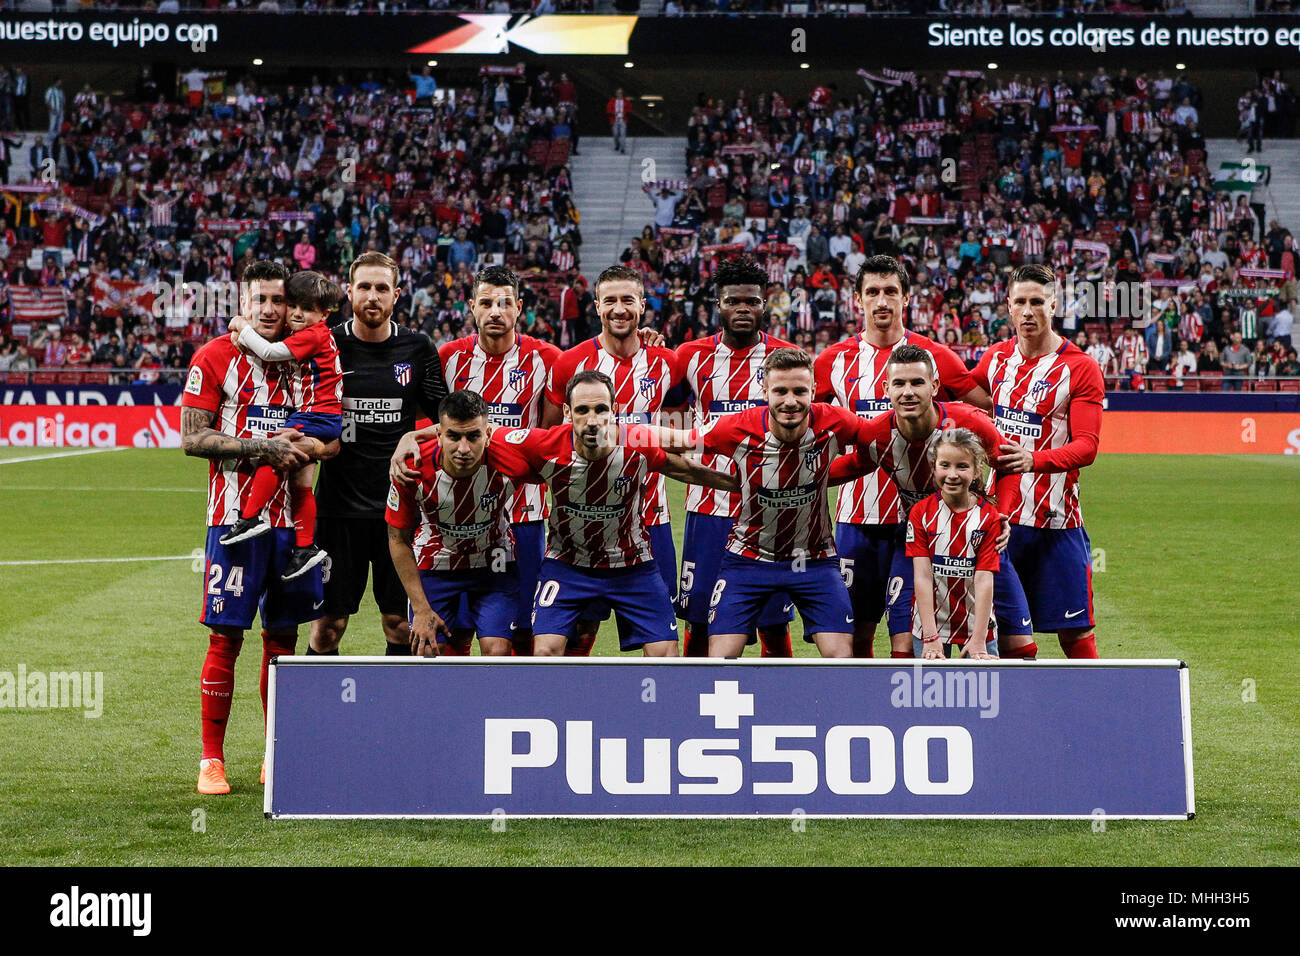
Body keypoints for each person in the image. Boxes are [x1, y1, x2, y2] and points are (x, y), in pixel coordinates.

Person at [180, 260, 338, 795]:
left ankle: (276, 756)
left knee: (283, 641)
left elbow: (335, 437)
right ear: (244, 304)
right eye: (261, 300)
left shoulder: (305, 356)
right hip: (231, 521)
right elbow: (192, 438)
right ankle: (211, 759)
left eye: (280, 301)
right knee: (226, 637)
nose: (271, 310)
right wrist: (259, 448)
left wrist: (309, 447)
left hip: (291, 530)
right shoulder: (215, 356)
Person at [654, 347, 889, 659]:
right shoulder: (737, 427)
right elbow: (679, 440)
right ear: (764, 391)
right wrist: (614, 433)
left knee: (842, 661)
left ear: (814, 391)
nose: (790, 401)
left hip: (813, 560)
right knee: (719, 662)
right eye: (780, 391)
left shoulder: (836, 422)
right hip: (748, 560)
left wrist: (822, 476)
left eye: (799, 391)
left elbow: (880, 440)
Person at [813, 255, 991, 659]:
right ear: (857, 300)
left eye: (890, 291)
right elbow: (808, 422)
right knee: (855, 636)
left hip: (921, 519)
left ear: (906, 297)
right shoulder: (832, 361)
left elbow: (986, 406)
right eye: (872, 292)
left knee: (911, 636)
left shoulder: (934, 357)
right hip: (854, 518)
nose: (882, 301)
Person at [489, 370, 737, 657]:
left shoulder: (636, 444)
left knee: (665, 653)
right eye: (582, 410)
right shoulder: (543, 445)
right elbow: (482, 431)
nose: (592, 420)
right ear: (567, 412)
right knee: (545, 652)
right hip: (567, 565)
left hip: (632, 566)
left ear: (615, 410)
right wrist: (424, 438)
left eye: (600, 409)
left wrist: (741, 486)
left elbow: (685, 469)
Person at [391, 264, 561, 656]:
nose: (495, 312)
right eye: (486, 303)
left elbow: (549, 436)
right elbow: (433, 429)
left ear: (519, 307)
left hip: (525, 512)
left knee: (521, 629)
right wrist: (407, 438)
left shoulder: (548, 359)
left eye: (504, 303)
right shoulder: (448, 358)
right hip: (454, 513)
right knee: (454, 630)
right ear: (472, 307)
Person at [826, 343, 1025, 655]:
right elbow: (854, 465)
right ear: (885, 388)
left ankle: (1015, 702)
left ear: (934, 386)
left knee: (1017, 643)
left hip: (977, 540)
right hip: (919, 542)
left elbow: (1007, 464)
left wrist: (1004, 514)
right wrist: (802, 479)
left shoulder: (969, 423)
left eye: (917, 383)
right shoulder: (876, 435)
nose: (908, 392)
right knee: (907, 643)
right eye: (899, 383)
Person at [309, 252, 448, 656]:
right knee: (328, 628)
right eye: (365, 287)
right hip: (337, 511)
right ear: (349, 292)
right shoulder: (328, 344)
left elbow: (445, 420)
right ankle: (323, 718)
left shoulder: (418, 347)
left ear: (397, 295)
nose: (373, 296)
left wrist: (414, 438)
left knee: (400, 624)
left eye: (382, 288)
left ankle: (398, 718)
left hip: (399, 510)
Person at [543, 265, 681, 655]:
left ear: (642, 305)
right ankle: (576, 708)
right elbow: (552, 437)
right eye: (610, 301)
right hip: (583, 522)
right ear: (596, 306)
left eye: (627, 300)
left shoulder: (667, 362)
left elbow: (685, 419)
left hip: (650, 518)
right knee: (579, 627)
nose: (619, 309)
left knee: (660, 639)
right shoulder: (571, 363)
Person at [972, 264, 1104, 660]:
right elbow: (961, 404)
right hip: (1000, 523)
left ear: (1054, 305)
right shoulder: (994, 360)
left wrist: (1033, 459)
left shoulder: (1080, 367)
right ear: (1008, 308)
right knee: (1010, 638)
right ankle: (1015, 719)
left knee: (1076, 635)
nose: (1028, 311)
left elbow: (1087, 447)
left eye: (1036, 302)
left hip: (1056, 522)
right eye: (1020, 303)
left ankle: (1097, 715)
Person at [671, 256, 796, 657]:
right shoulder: (689, 356)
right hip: (709, 506)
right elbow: (667, 415)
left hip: (772, 510)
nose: (744, 309)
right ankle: (693, 701)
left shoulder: (788, 359)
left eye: (753, 302)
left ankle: (780, 703)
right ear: (718, 305)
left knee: (773, 620)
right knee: (699, 615)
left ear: (765, 305)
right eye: (734, 301)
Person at [220, 271, 344, 581]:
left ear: (324, 314)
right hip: (326, 416)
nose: (298, 314)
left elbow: (271, 352)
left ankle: (250, 517)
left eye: (308, 309)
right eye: (295, 306)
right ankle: (306, 547)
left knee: (273, 453)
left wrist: (241, 326)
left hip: (315, 414)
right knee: (301, 485)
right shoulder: (313, 330)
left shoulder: (313, 333)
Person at [386, 390, 523, 658]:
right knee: (428, 651)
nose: (463, 448)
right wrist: (421, 608)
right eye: (453, 436)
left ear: (488, 434)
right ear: (438, 434)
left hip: (494, 563)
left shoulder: (512, 457)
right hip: (436, 563)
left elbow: (560, 448)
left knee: (497, 652)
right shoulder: (410, 467)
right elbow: (397, 539)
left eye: (473, 436)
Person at [908, 428, 1001, 661]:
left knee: (983, 695)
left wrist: (979, 638)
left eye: (962, 466)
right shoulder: (921, 512)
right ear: (933, 467)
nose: (952, 474)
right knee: (930, 695)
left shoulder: (988, 516)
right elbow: (922, 576)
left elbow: (983, 579)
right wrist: (929, 635)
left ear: (977, 470)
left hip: (978, 627)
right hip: (929, 626)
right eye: (945, 465)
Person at [606, 88, 631, 154]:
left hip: (623, 120)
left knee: (623, 134)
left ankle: (622, 148)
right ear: (616, 94)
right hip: (615, 120)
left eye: (621, 93)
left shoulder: (626, 101)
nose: (620, 94)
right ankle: (617, 144)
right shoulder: (612, 101)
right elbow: (608, 110)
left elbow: (629, 109)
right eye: (618, 93)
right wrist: (614, 113)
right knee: (615, 134)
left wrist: (624, 112)